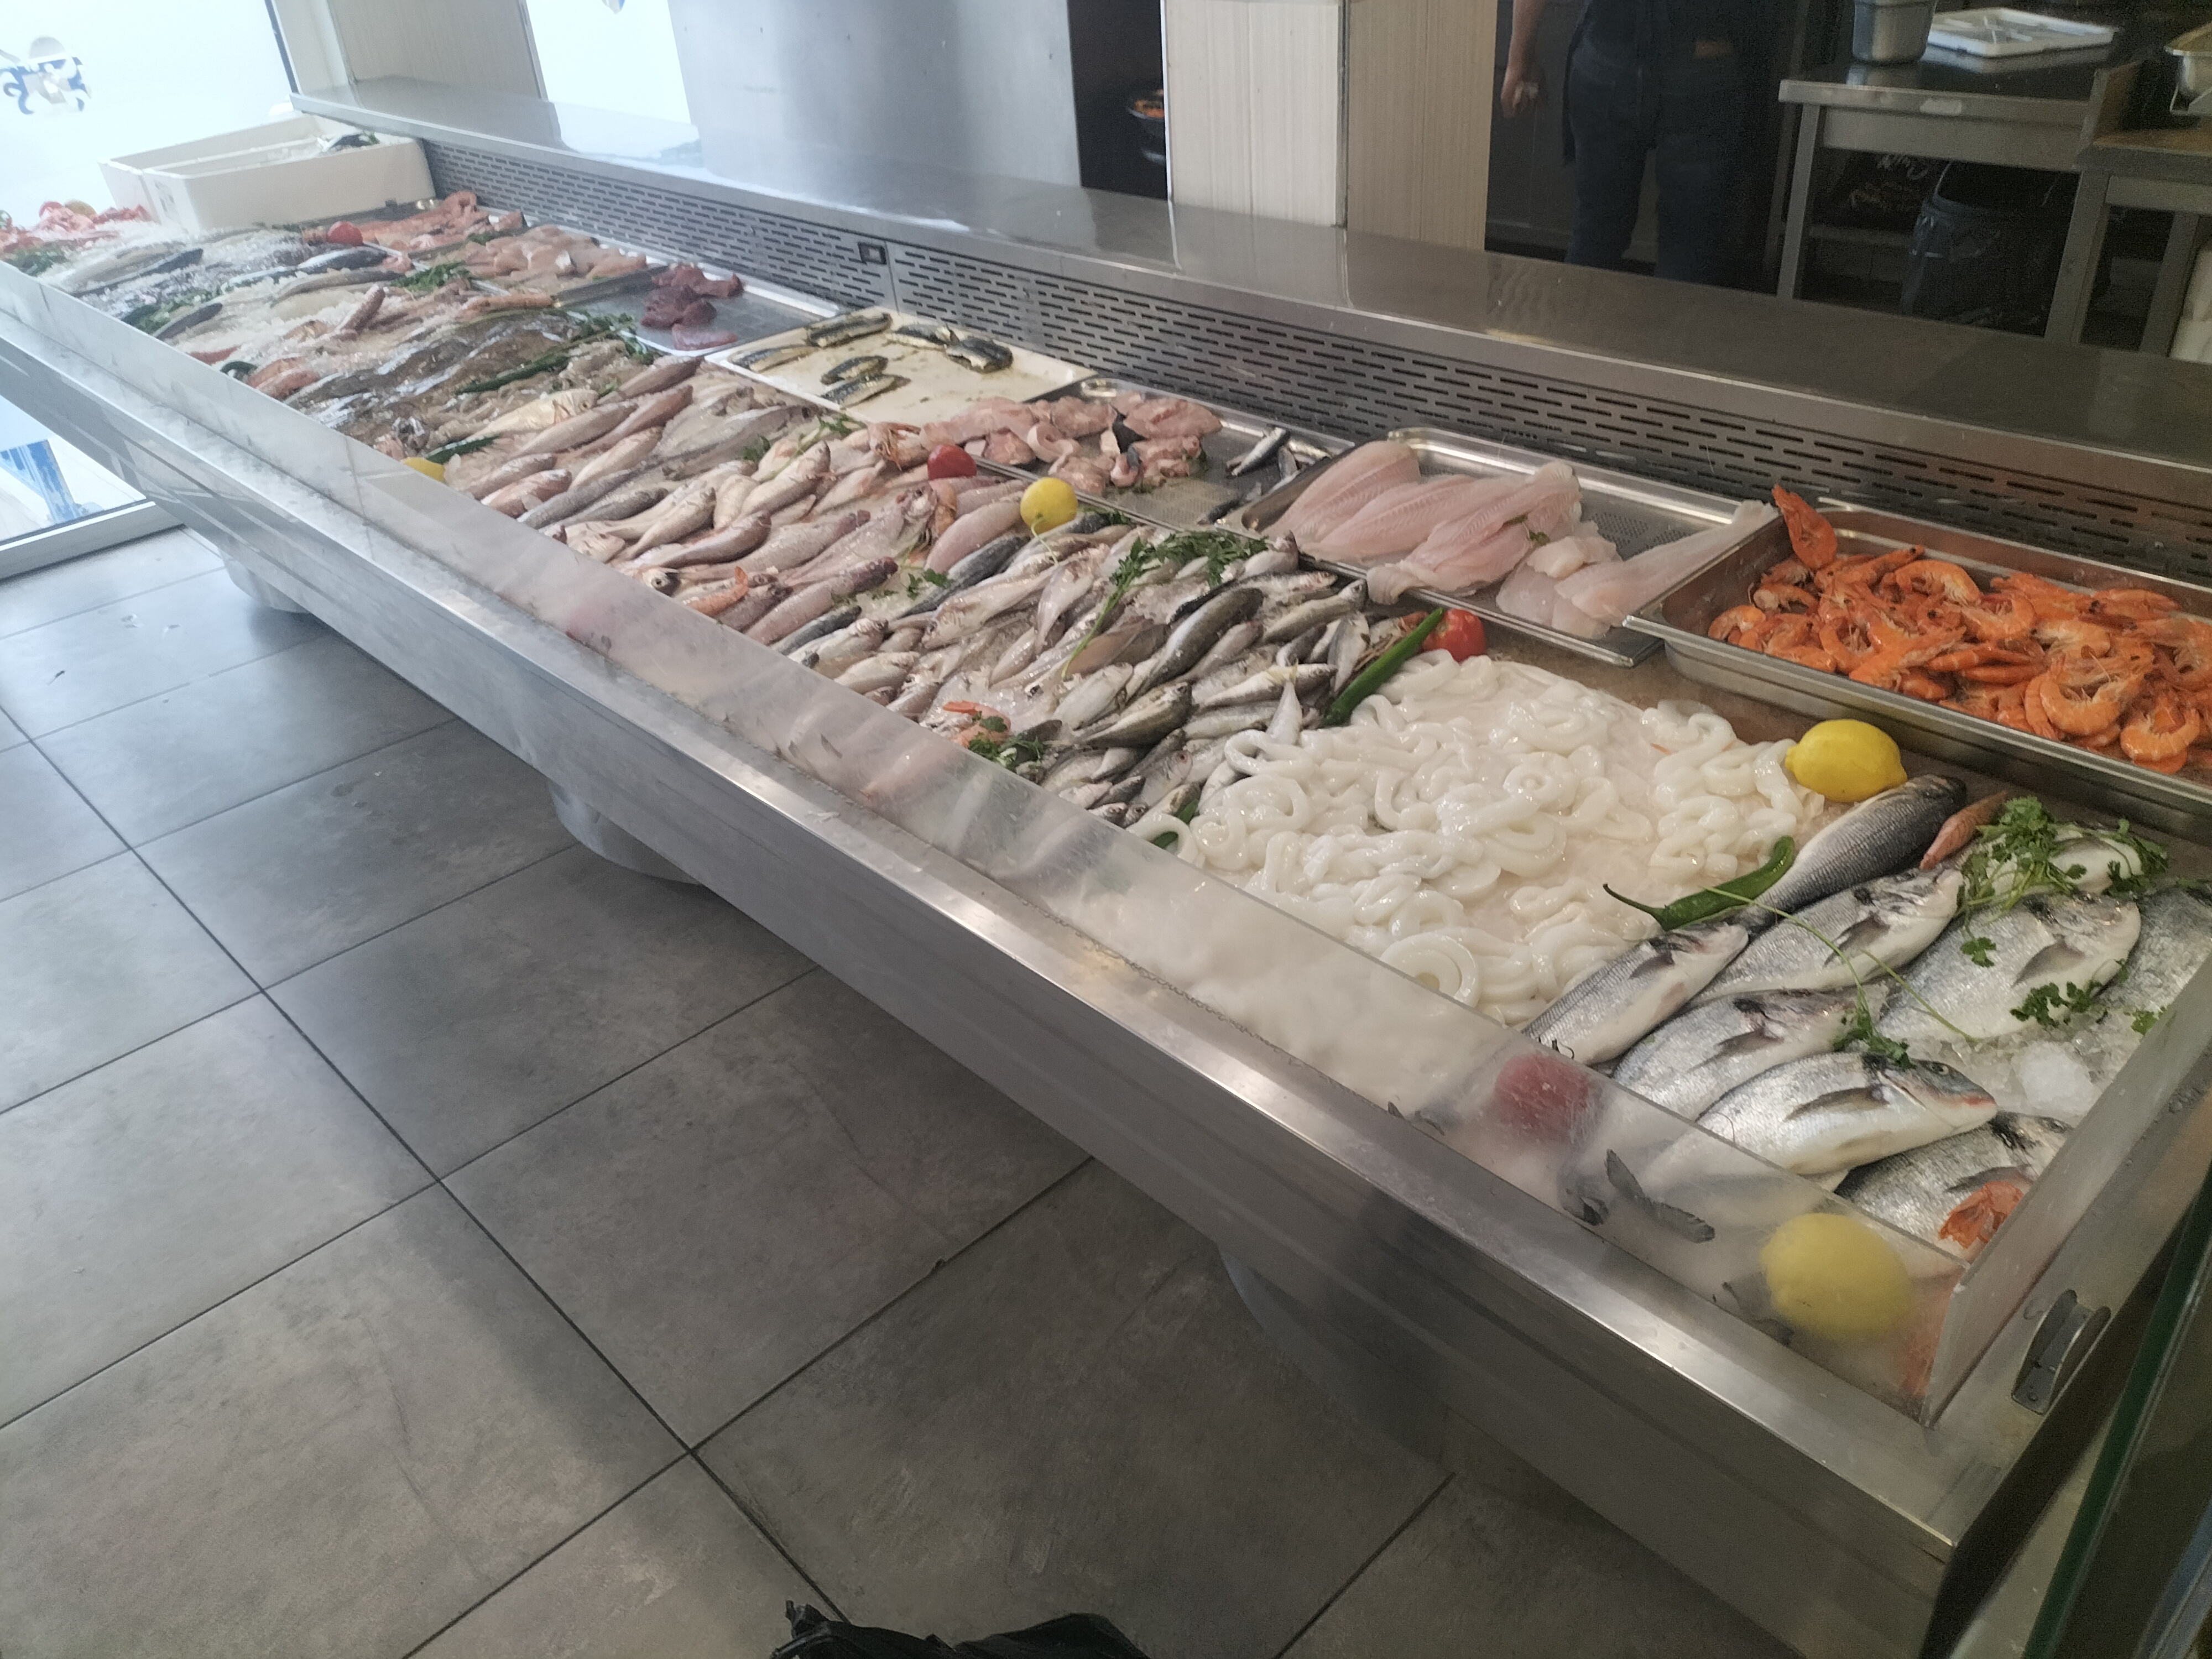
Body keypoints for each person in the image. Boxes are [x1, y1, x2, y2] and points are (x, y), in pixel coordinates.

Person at [1500, 0, 1751, 284]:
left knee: (1596, 234)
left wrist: (1520, 60)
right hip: (1704, 61)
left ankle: (1579, 313)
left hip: (1610, 56)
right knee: (1689, 246)